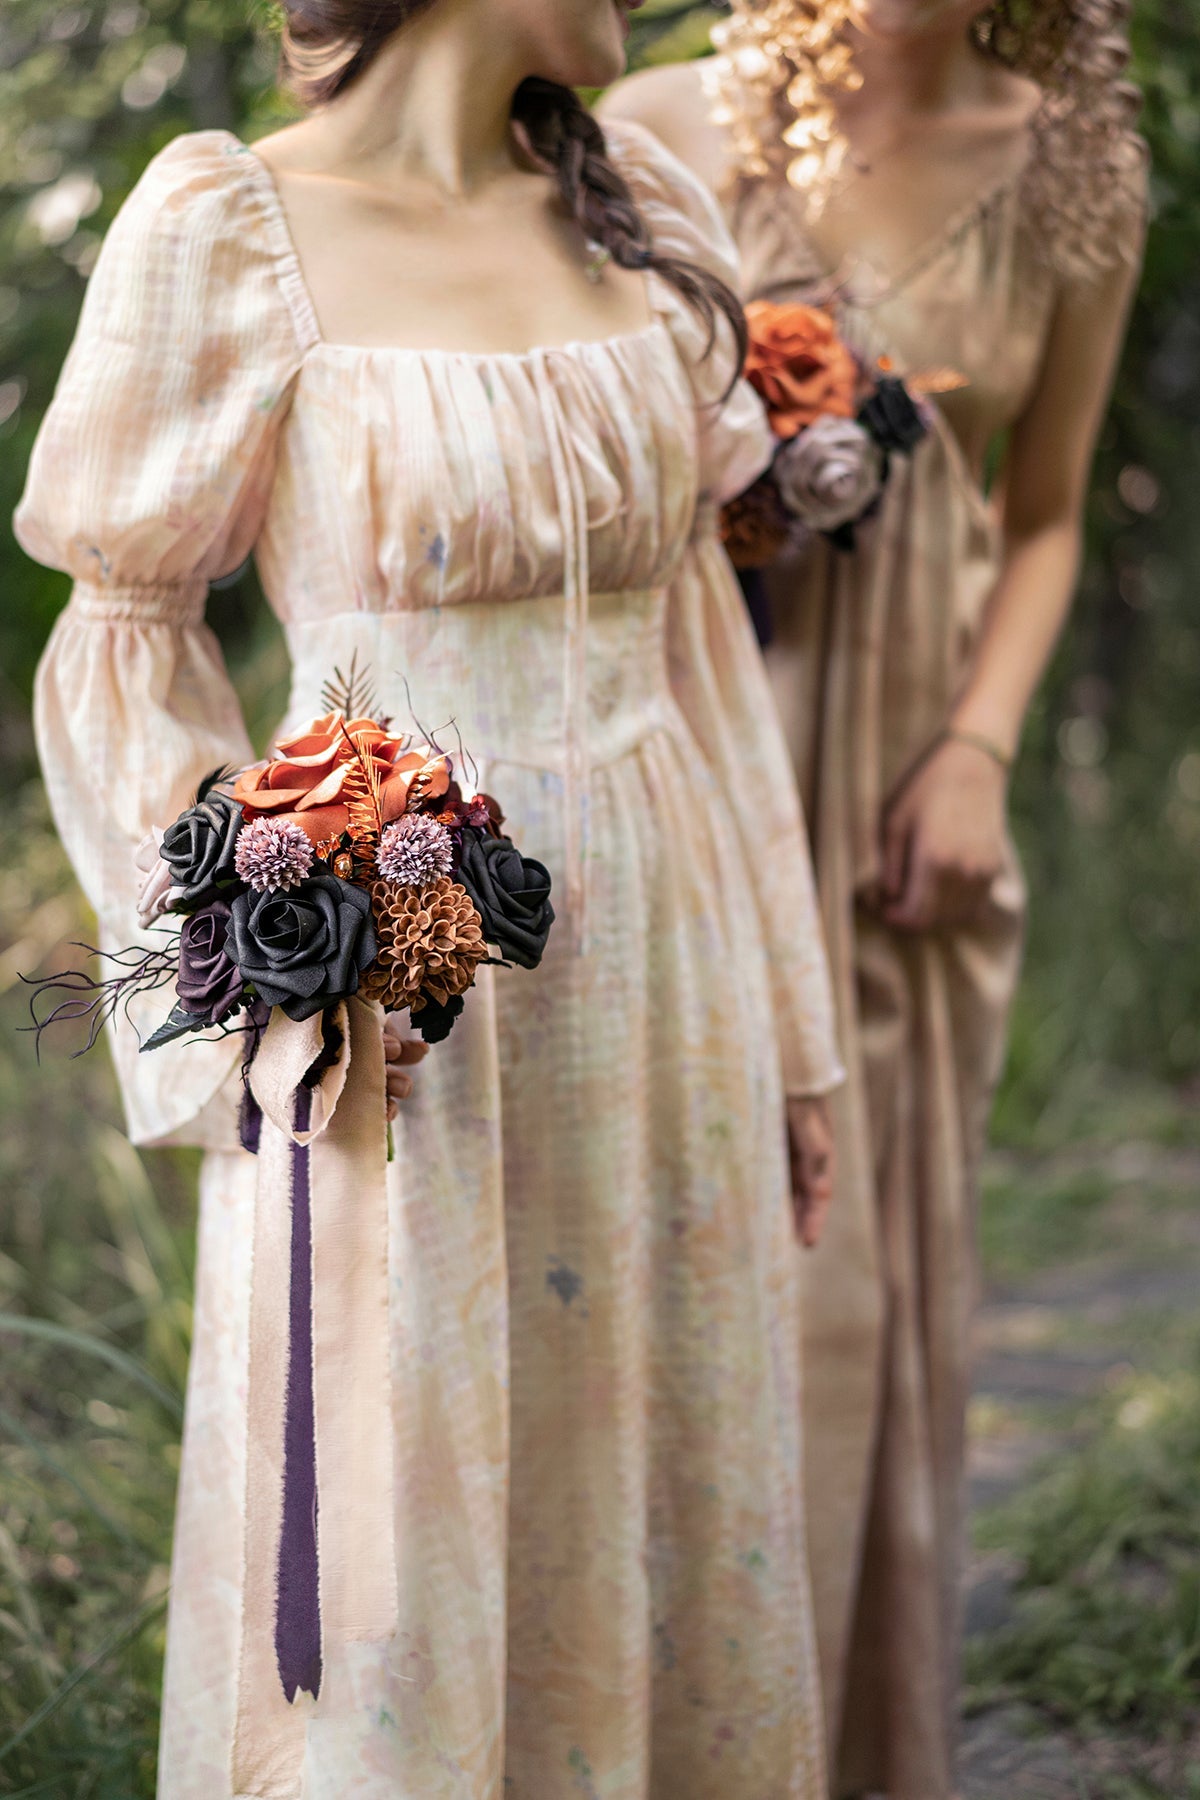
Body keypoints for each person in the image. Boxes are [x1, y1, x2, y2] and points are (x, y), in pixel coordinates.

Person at [15, 0, 847, 1792]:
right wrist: (252, 960)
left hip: (669, 957)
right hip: (397, 1004)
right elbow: (124, 640)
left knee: (665, 1478)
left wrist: (796, 1030)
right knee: (384, 1523)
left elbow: (701, 638)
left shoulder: (644, 212)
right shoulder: (230, 227)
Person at [600, 4, 1146, 1794]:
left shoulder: (1072, 173)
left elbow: (1046, 510)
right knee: (682, 1261)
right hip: (692, 752)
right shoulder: (657, 115)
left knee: (859, 1302)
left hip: (910, 795)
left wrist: (983, 749)